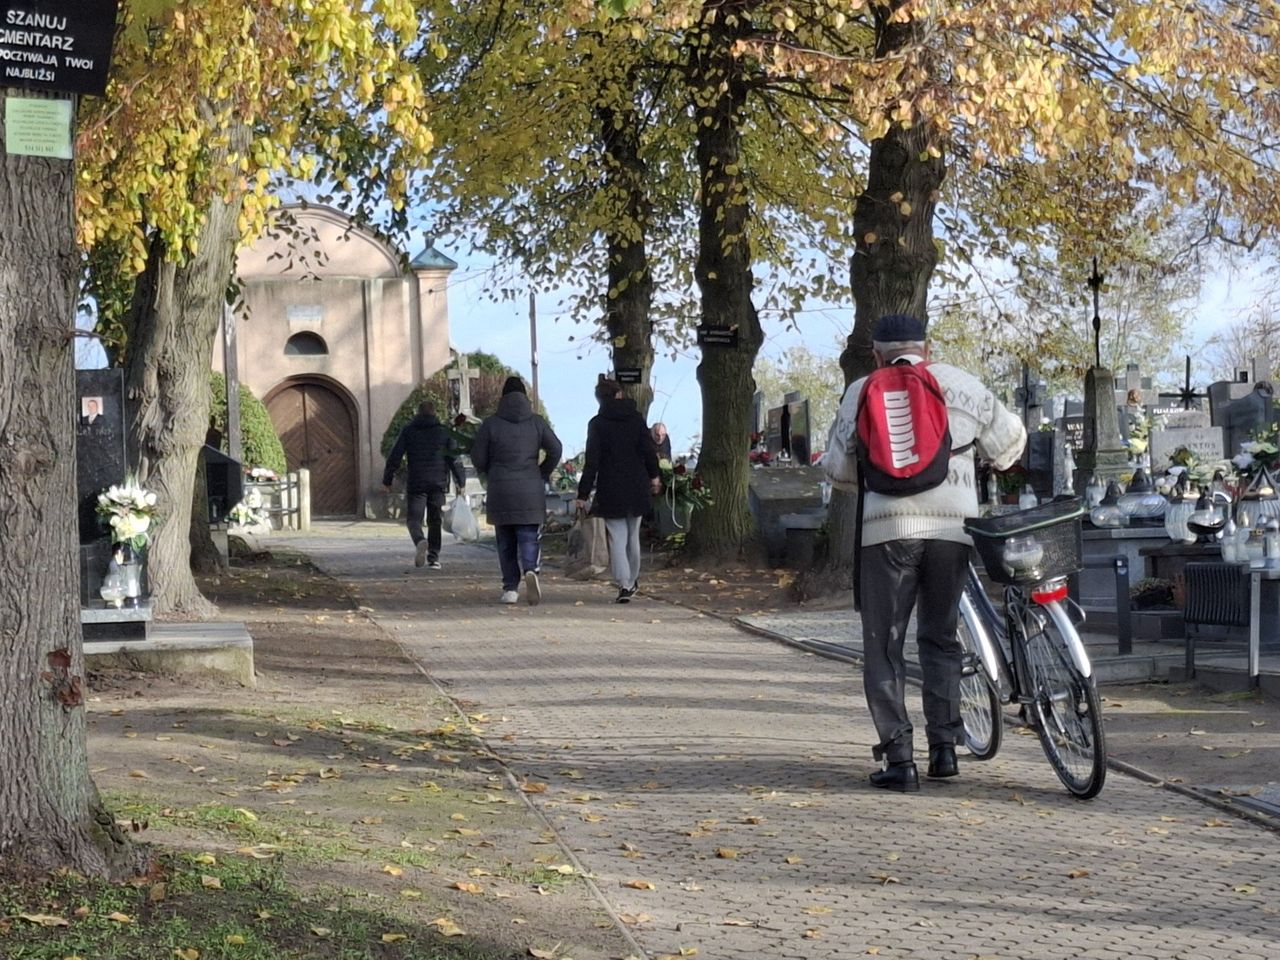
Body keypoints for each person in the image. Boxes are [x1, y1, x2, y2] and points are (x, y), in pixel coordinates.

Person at [833, 314, 1025, 792]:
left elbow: (837, 471)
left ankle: (899, 760)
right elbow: (1010, 445)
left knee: (884, 644)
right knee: (940, 637)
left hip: (886, 531)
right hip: (952, 530)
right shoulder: (961, 383)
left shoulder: (861, 391)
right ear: (927, 347)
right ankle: (945, 751)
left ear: (876, 354)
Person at [471, 376, 562, 605]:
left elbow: (478, 457)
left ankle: (510, 588)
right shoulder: (537, 422)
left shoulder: (491, 424)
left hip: (501, 488)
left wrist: (489, 471)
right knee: (529, 536)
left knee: (505, 541)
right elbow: (556, 449)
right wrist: (542, 471)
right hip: (530, 486)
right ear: (525, 397)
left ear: (503, 397)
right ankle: (531, 569)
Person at [575, 379, 661, 603]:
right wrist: (655, 476)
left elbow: (591, 462)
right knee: (634, 537)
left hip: (610, 487)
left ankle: (624, 584)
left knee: (617, 538)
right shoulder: (636, 419)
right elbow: (648, 451)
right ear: (619, 394)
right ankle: (632, 581)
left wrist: (583, 494)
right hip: (636, 484)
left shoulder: (597, 424)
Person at [382, 401, 467, 569]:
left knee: (414, 520)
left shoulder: (408, 431)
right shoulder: (444, 432)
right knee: (435, 520)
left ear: (417, 413)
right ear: (435, 413)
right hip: (438, 483)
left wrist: (387, 480)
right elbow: (454, 459)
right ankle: (434, 557)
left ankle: (420, 540)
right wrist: (461, 482)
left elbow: (395, 456)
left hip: (417, 482)